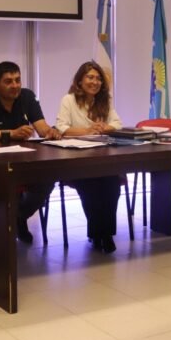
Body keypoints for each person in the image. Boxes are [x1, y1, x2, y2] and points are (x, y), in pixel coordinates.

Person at [0, 61, 61, 244]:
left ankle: (18, 217)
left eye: (18, 80)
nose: (15, 85)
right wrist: (10, 133)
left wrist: (51, 132)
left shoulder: (27, 96)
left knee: (47, 179)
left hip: (22, 161)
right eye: (8, 81)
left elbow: (41, 126)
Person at [55, 61, 122, 253]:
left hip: (102, 159)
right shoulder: (68, 100)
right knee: (91, 188)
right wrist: (87, 131)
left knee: (112, 186)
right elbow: (61, 127)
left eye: (98, 78)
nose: (95, 82)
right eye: (90, 77)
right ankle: (98, 234)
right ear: (80, 81)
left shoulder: (104, 101)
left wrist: (105, 127)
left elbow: (117, 123)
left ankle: (105, 234)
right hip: (76, 160)